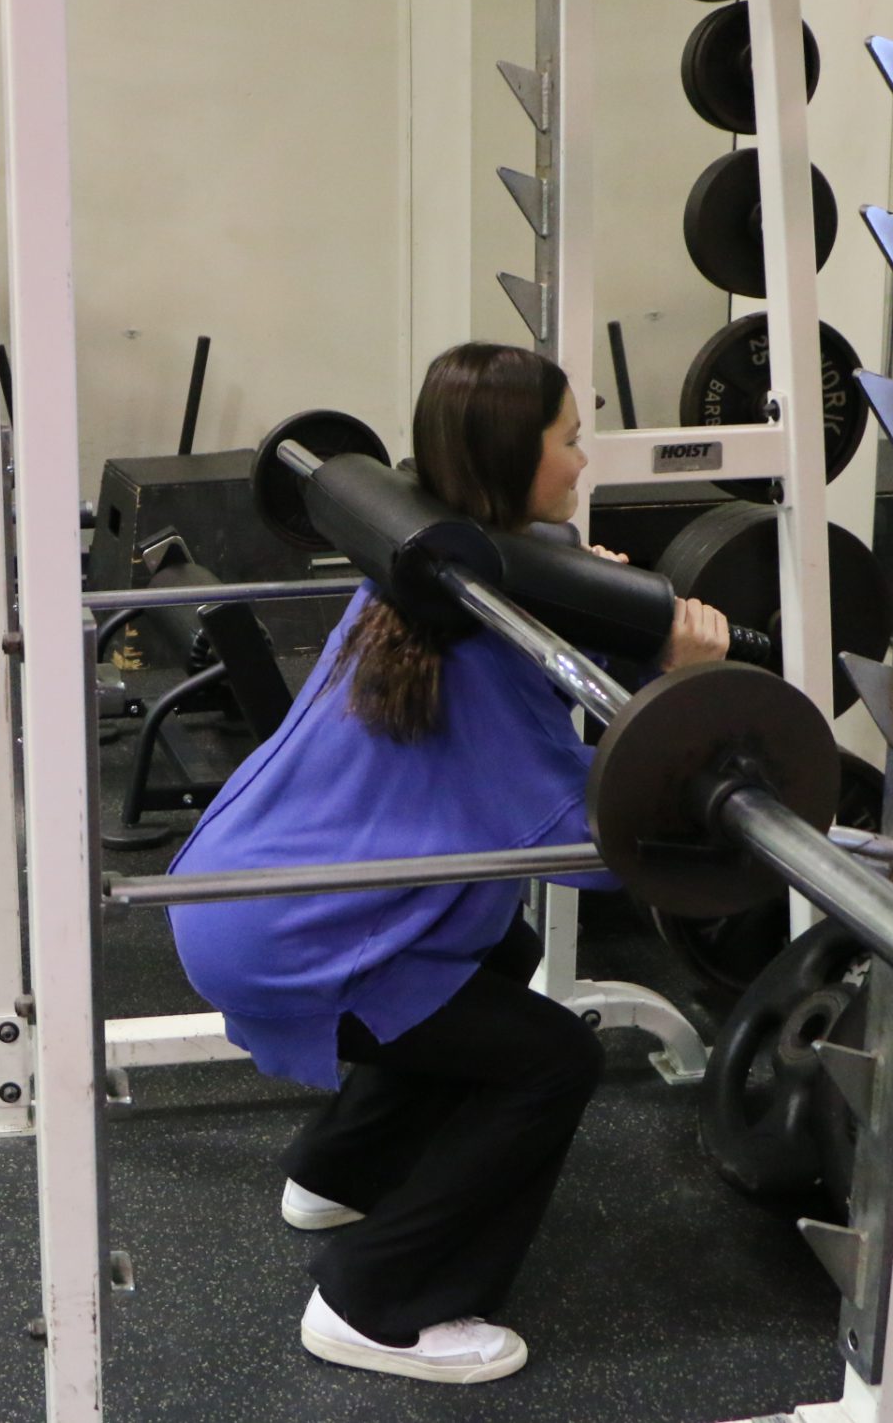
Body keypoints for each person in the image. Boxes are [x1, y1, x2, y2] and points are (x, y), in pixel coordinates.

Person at [166, 343, 731, 1386]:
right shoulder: (471, 643)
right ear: (513, 461)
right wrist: (679, 692)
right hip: (290, 933)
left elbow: (528, 677)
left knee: (494, 956)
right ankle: (373, 1303)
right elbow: (595, 844)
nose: (582, 458)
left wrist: (594, 606)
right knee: (551, 1057)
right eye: (568, 439)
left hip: (237, 896)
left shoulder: (422, 572)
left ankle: (340, 1171)